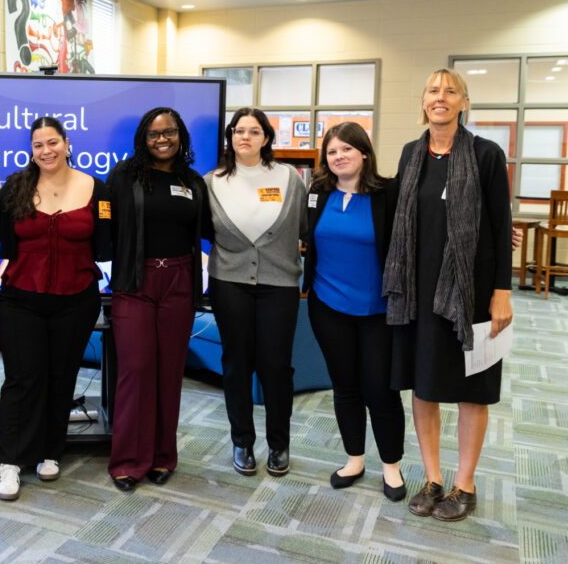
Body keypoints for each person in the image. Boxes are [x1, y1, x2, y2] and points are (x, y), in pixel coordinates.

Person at [384, 69, 513, 522]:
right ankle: (434, 478)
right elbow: (396, 214)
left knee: (472, 391)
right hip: (420, 296)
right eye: (433, 91)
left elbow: (500, 226)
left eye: (450, 91)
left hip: (474, 295)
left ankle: (465, 484)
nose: (441, 97)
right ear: (423, 102)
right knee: (424, 387)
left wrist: (502, 291)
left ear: (464, 102)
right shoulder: (410, 154)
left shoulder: (486, 154)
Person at [0, 116, 112, 501]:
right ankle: (11, 460)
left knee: (62, 376)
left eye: (52, 142)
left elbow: (109, 239)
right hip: (21, 297)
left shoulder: (97, 189)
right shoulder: (16, 187)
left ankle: (51, 450)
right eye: (38, 145)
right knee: (22, 379)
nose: (46, 151)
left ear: (67, 143)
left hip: (76, 299)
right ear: (32, 149)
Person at [105, 107, 208, 492]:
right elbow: (104, 225)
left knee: (169, 372)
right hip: (135, 280)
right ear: (142, 138)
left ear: (181, 135)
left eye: (169, 132)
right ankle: (129, 460)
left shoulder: (193, 181)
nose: (162, 139)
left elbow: (208, 228)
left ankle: (164, 456)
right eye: (153, 133)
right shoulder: (124, 175)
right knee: (136, 369)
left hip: (179, 279)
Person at [303, 122, 405, 500]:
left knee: (380, 389)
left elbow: (429, 228)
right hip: (328, 306)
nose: (339, 156)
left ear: (364, 152)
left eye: (347, 149)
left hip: (378, 310)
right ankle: (355, 459)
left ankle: (391, 467)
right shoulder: (318, 192)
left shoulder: (388, 193)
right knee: (345, 387)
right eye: (332, 151)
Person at [206, 108, 306, 478]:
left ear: (266, 138)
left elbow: (303, 227)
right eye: (238, 131)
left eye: (254, 131)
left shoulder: (290, 178)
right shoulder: (211, 181)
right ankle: (242, 441)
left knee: (276, 367)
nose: (244, 137)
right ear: (230, 137)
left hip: (279, 284)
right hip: (229, 282)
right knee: (236, 363)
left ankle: (279, 443)